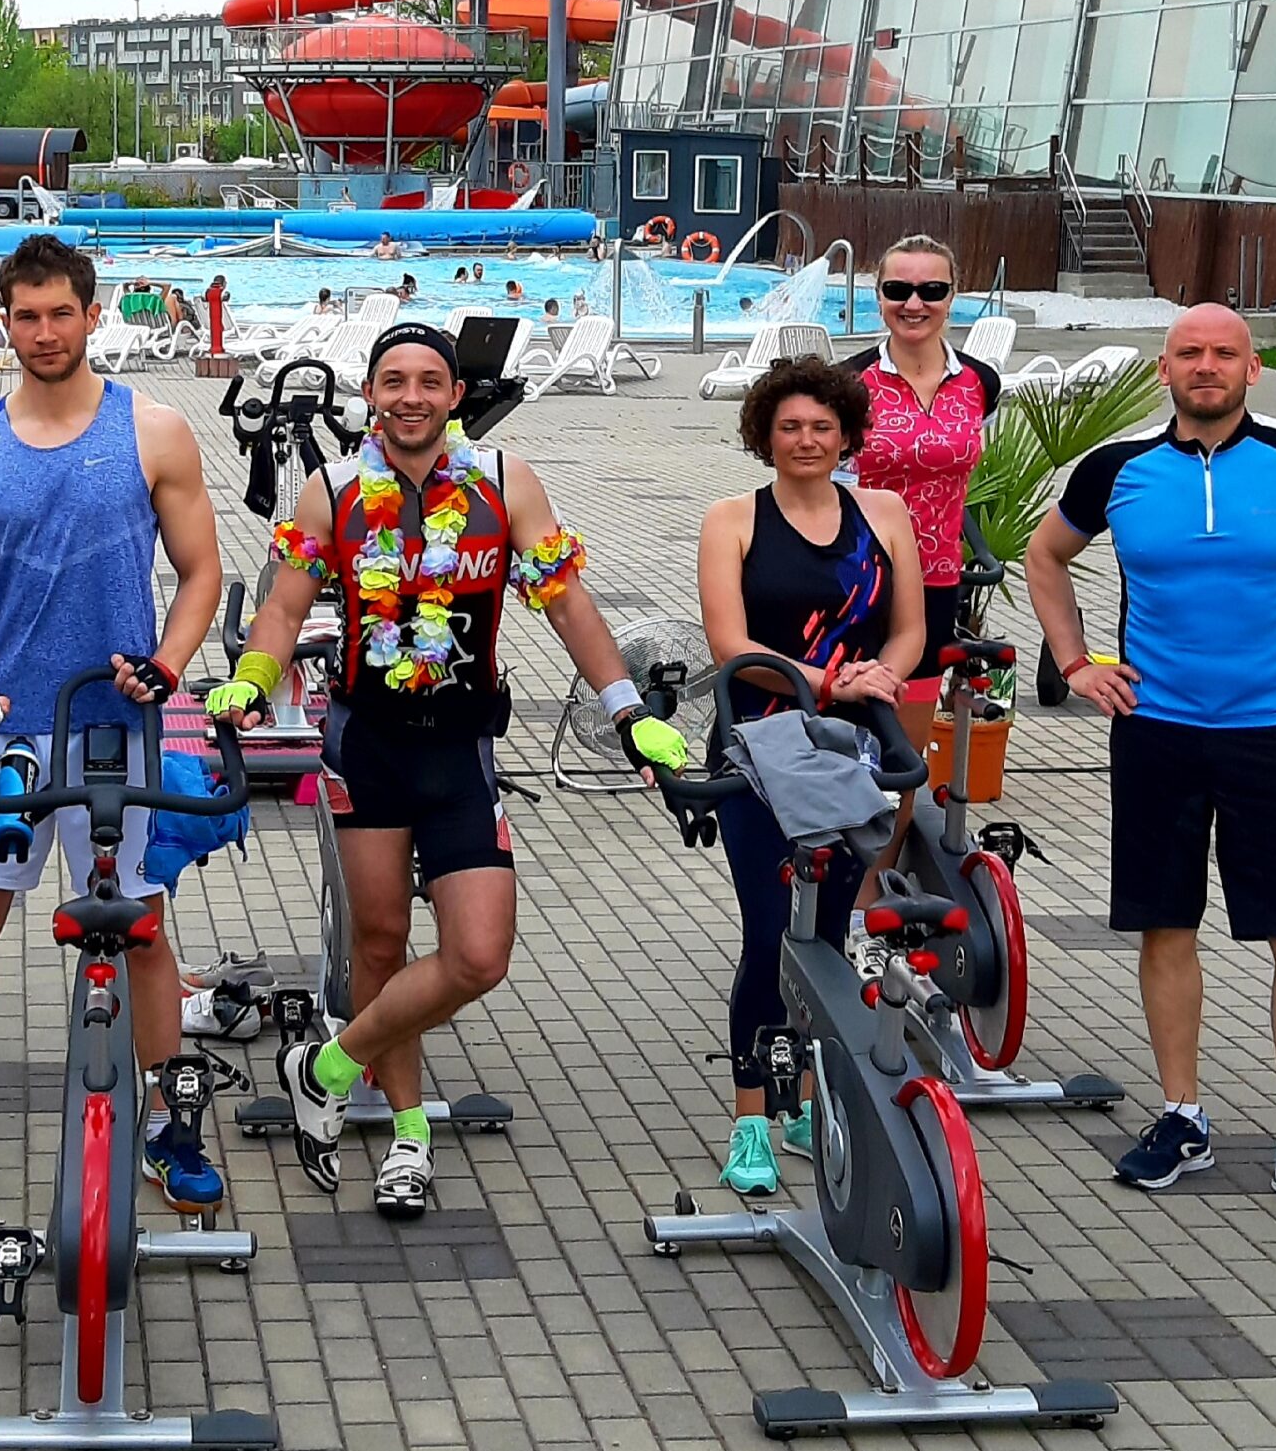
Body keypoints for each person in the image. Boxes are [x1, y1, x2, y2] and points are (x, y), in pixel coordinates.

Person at [214, 322, 687, 1214]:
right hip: (366, 745)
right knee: (380, 943)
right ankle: (407, 1133)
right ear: (369, 394)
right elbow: (283, 607)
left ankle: (324, 1066)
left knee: (477, 953)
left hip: (461, 749)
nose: (411, 397)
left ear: (456, 395)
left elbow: (566, 602)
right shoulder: (331, 490)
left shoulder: (505, 483)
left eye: (429, 381)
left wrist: (627, 707)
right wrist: (253, 675)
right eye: (393, 380)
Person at [1026, 304, 1276, 1223]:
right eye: (1189, 353)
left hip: (1267, 733)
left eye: (1223, 353)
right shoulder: (1117, 467)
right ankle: (1182, 1116)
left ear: (1253, 369)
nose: (1205, 366)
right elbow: (1047, 556)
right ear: (1164, 369)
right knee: (1166, 926)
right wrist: (1076, 662)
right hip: (1155, 731)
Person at [0, 235, 228, 1214]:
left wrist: (167, 664)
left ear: (91, 314)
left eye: (59, 313)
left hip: (117, 725)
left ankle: (165, 1123)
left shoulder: (154, 431)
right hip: (11, 731)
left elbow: (201, 571)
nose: (42, 332)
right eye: (24, 315)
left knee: (142, 929)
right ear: (4, 320)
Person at [696, 356, 924, 1196]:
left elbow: (909, 628)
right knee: (770, 935)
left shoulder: (884, 512)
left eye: (822, 426)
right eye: (789, 426)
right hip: (760, 750)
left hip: (851, 747)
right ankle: (751, 1117)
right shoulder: (732, 519)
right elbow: (731, 645)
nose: (806, 439)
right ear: (765, 433)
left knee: (826, 939)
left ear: (846, 434)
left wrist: (882, 677)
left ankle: (800, 1097)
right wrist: (831, 681)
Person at [839, 235, 1000, 965]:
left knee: (902, 754)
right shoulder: (850, 382)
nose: (914, 303)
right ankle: (822, 893)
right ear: (877, 296)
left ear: (952, 297)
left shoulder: (980, 382)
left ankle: (870, 900)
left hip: (934, 586)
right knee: (843, 742)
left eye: (931, 290)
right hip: (854, 584)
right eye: (897, 289)